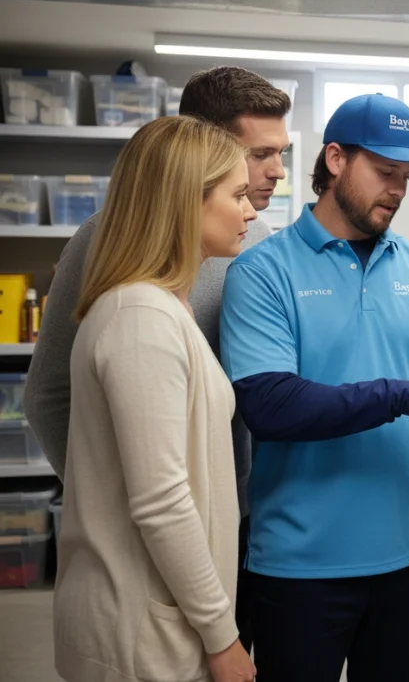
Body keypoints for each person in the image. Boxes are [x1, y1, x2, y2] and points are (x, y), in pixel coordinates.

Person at [218, 93, 409, 682]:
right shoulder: (262, 273)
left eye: (407, 177)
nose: (398, 190)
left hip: (408, 557)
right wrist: (405, 395)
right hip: (298, 565)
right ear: (335, 160)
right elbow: (270, 406)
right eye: (385, 172)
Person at [22, 66, 292, 652]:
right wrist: (112, 510)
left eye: (282, 153)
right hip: (161, 517)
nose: (276, 171)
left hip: (238, 516)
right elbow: (48, 396)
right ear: (200, 148)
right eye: (260, 154)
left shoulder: (259, 240)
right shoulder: (108, 252)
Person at [53, 115, 257, 682]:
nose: (251, 210)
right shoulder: (141, 318)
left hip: (161, 620)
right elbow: (162, 502)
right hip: (140, 636)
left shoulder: (164, 308)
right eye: (238, 195)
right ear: (184, 201)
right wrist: (223, 637)